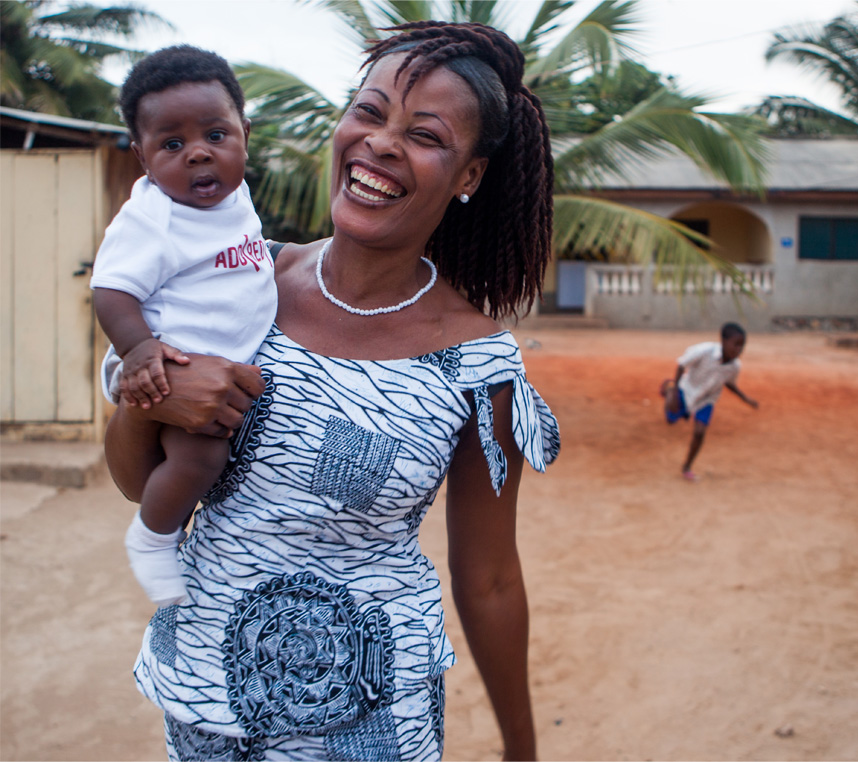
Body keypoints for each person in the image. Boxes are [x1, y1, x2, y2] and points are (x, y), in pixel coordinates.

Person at [102, 22, 559, 761]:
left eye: (426, 135)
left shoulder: (479, 364)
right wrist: (149, 399)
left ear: (469, 175)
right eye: (369, 112)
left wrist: (522, 748)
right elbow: (135, 482)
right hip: (206, 706)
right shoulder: (238, 288)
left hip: (376, 725)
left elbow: (493, 577)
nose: (380, 142)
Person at [89, 46, 277, 607]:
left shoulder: (236, 197)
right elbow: (111, 289)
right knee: (202, 458)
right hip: (179, 367)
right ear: (142, 157)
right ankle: (153, 538)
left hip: (229, 369)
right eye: (172, 145)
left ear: (244, 133)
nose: (198, 154)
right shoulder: (152, 217)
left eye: (216, 136)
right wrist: (140, 351)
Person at [661, 322, 758, 481]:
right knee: (670, 419)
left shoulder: (735, 366)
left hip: (707, 399)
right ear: (723, 341)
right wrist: (675, 390)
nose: (739, 349)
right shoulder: (703, 351)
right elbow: (681, 365)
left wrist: (746, 399)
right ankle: (668, 390)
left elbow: (729, 383)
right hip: (687, 390)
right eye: (736, 344)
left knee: (699, 433)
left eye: (742, 345)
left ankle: (687, 467)